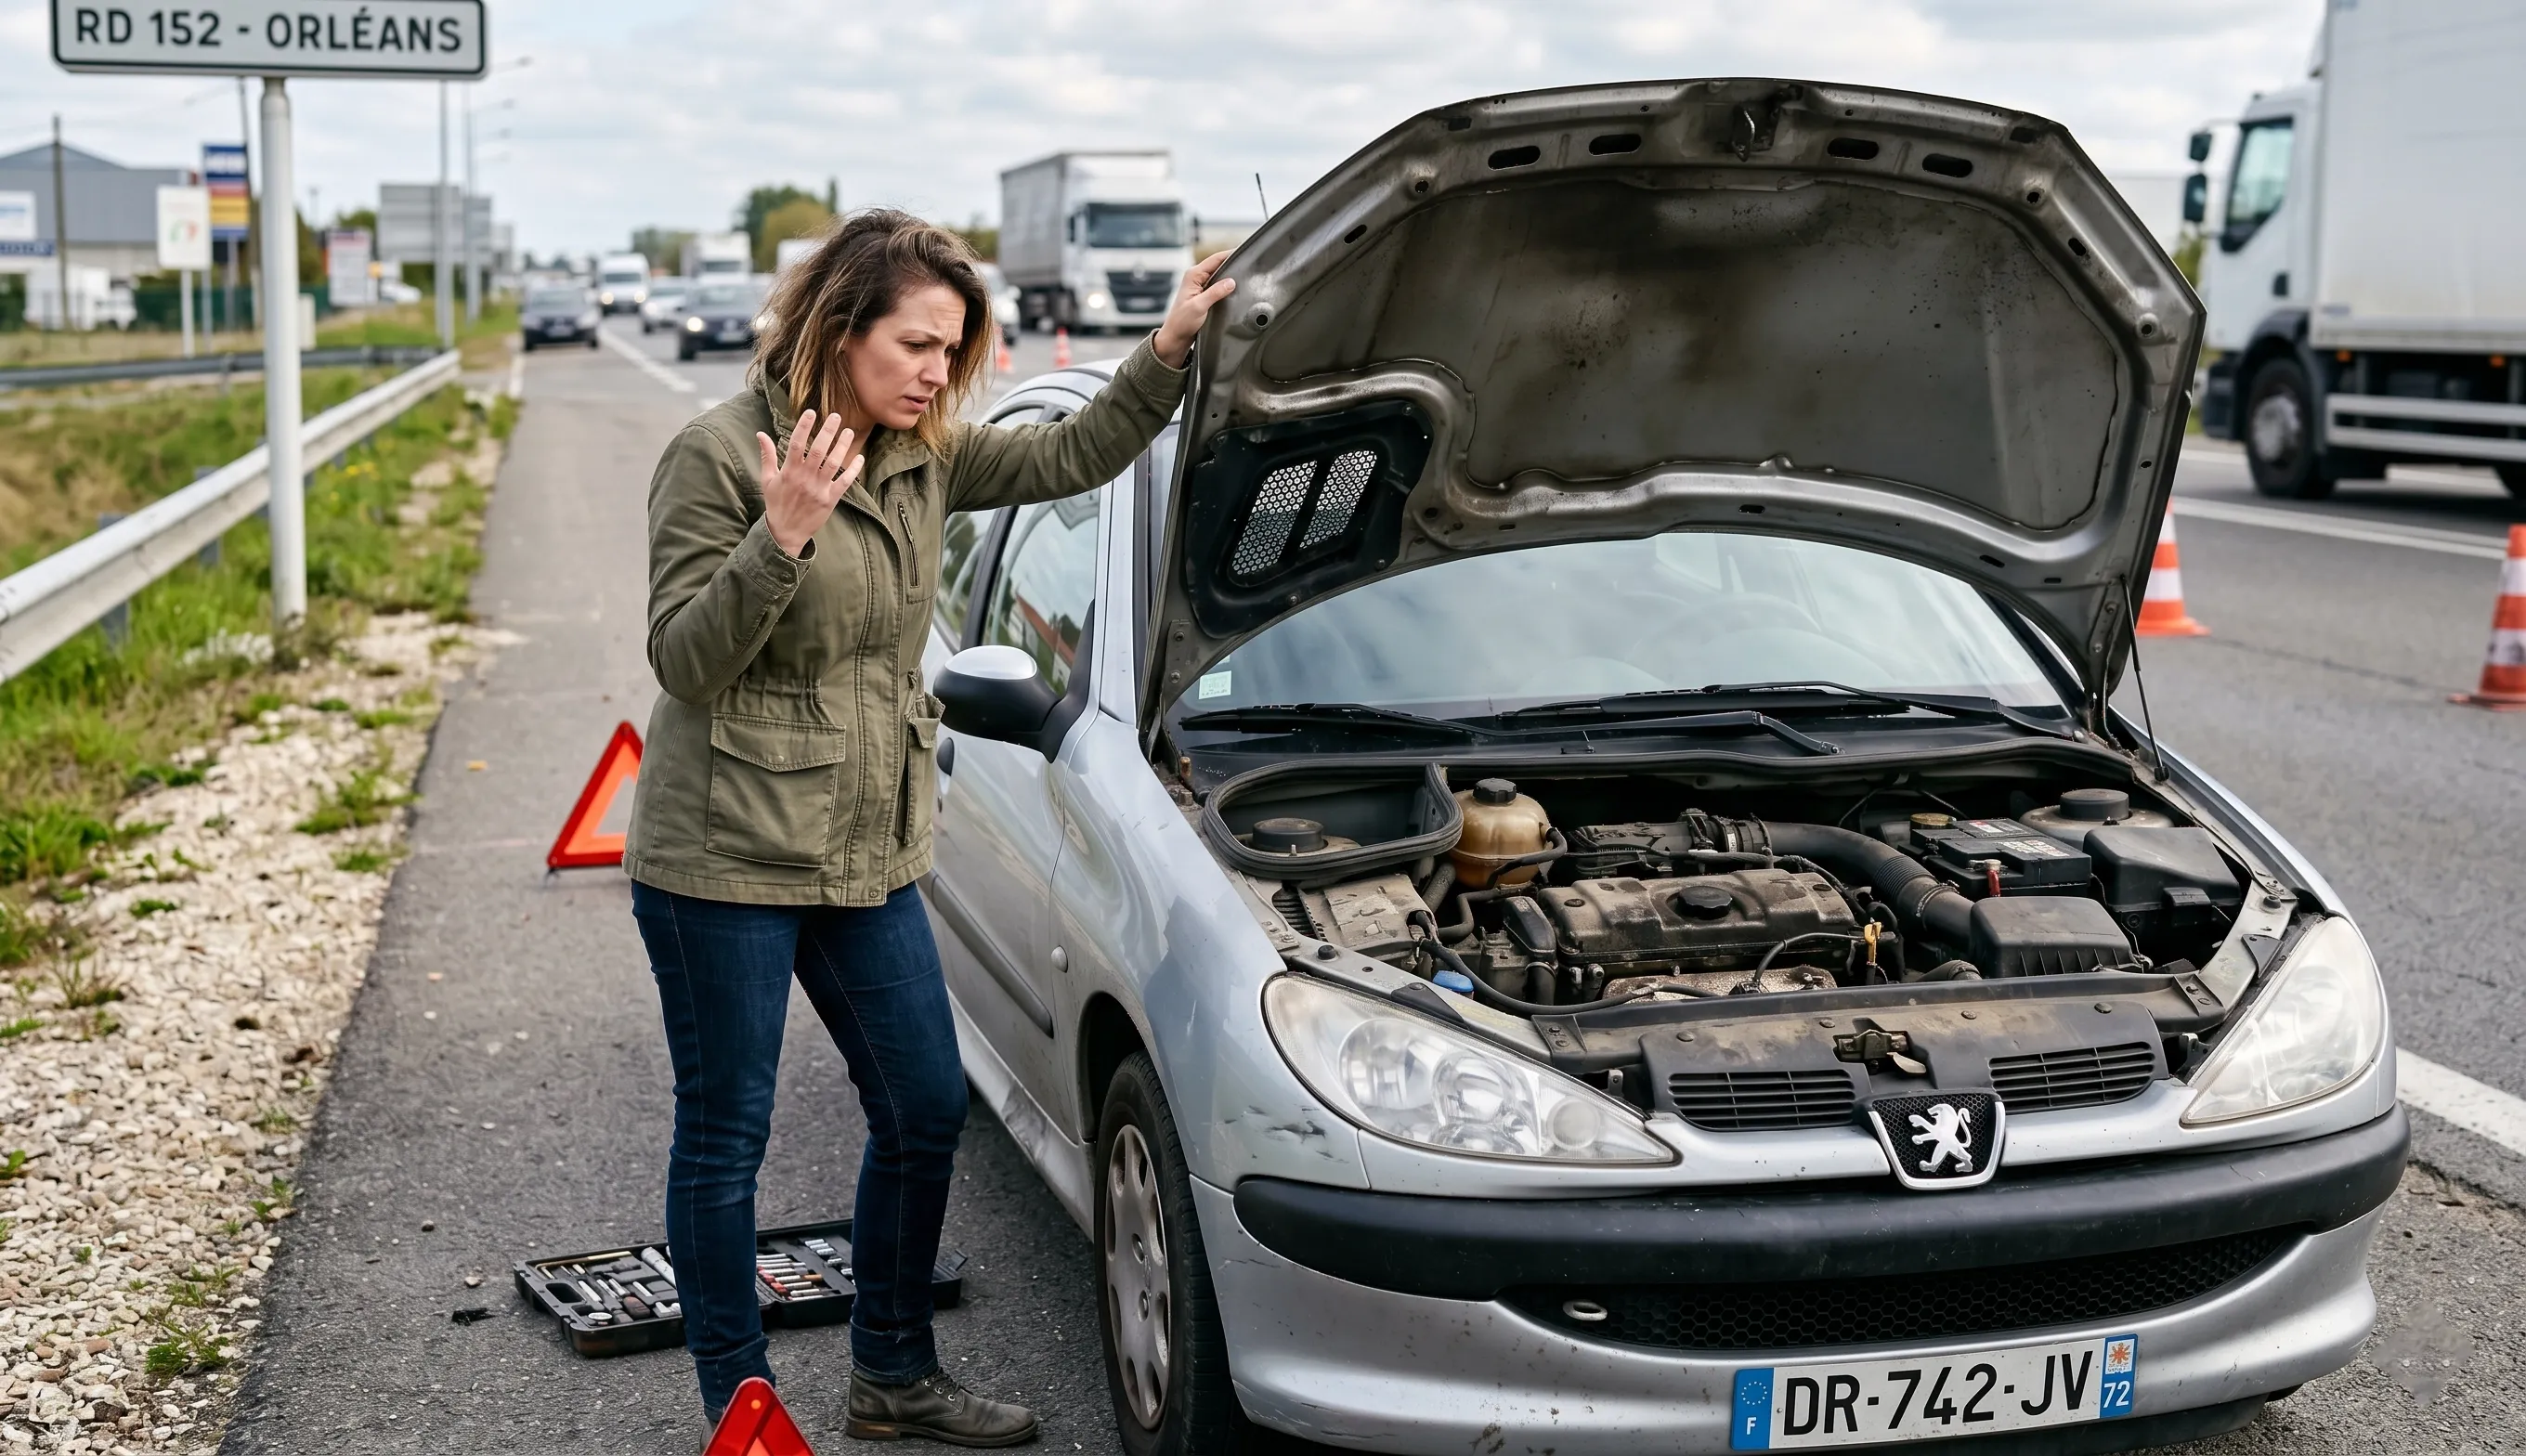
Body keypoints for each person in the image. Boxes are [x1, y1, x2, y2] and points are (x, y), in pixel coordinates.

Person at [625, 208, 1233, 1445]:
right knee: (725, 1132)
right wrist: (782, 532)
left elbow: (1075, 454)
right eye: (913, 345)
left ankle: (892, 1374)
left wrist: (1167, 350)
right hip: (724, 858)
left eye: (951, 352)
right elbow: (685, 664)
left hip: (868, 849)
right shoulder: (714, 454)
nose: (934, 375)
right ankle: (737, 1402)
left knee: (919, 1103)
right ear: (839, 329)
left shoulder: (926, 453)